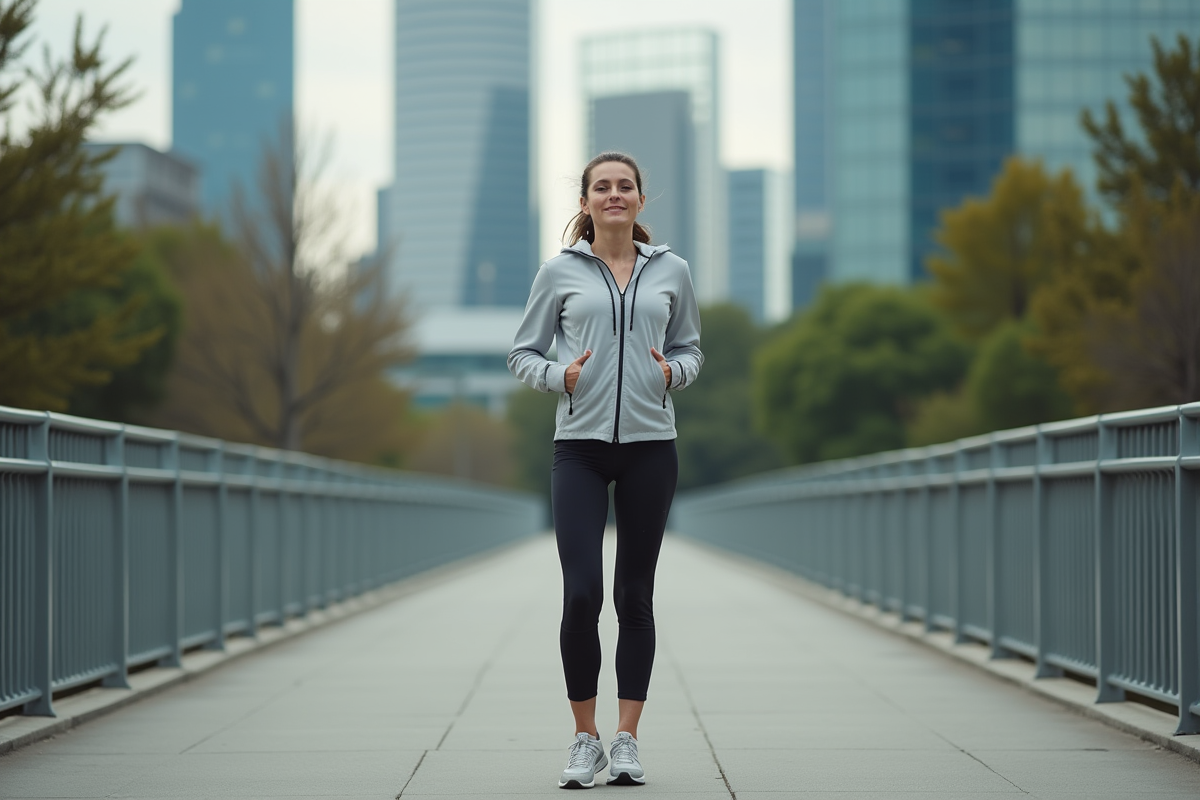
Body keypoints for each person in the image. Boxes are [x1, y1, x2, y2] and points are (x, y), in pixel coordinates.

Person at [508, 151, 704, 789]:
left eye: (625, 187)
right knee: (582, 593)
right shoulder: (559, 273)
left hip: (652, 446)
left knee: (634, 595)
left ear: (641, 200)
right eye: (602, 187)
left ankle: (627, 740)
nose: (614, 195)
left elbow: (690, 347)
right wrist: (557, 375)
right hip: (580, 449)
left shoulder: (671, 271)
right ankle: (583, 738)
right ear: (586, 202)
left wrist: (673, 371)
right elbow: (522, 352)